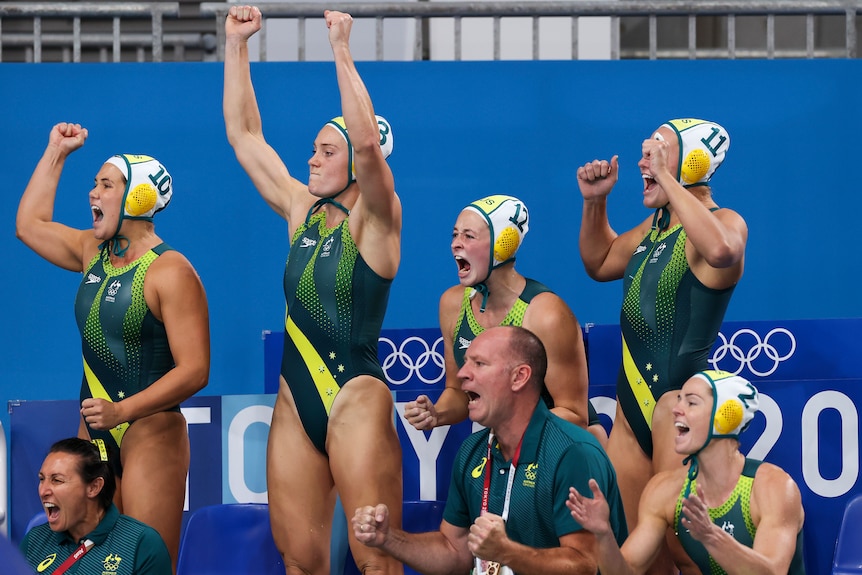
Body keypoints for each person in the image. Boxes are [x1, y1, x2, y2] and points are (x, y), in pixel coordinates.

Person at [223, 7, 403, 575]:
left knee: (375, 558)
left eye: (327, 150)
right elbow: (245, 135)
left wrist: (342, 50)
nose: (312, 159)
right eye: (315, 149)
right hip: (295, 399)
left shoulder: (378, 219)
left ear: (354, 158)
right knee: (298, 560)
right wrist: (236, 46)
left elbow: (370, 148)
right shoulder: (303, 210)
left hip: (355, 394)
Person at [15, 122, 210, 572]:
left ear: (138, 198)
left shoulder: (170, 271)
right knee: (88, 562)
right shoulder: (91, 251)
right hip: (96, 428)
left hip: (150, 431)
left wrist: (124, 412)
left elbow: (196, 369)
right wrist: (56, 153)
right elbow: (29, 226)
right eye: (95, 183)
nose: (92, 194)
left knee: (142, 561)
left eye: (106, 185)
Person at [577, 118, 747, 573]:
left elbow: (724, 253)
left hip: (675, 408)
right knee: (634, 544)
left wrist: (670, 182)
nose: (643, 161)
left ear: (691, 163)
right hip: (630, 419)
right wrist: (596, 204)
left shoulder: (720, 222)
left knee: (683, 552)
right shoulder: (653, 229)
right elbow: (599, 261)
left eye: (658, 151)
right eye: (645, 151)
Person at [353, 326, 627, 575]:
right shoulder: (473, 450)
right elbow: (454, 552)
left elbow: (584, 565)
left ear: (519, 377)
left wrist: (506, 551)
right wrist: (389, 538)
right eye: (466, 362)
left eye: (479, 364)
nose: (462, 373)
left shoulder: (572, 453)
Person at [404, 195, 608, 446]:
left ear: (504, 245)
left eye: (469, 236)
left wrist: (510, 435)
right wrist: (437, 414)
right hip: (509, 444)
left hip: (565, 446)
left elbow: (575, 414)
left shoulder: (546, 314)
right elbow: (458, 392)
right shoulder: (452, 305)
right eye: (454, 235)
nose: (456, 244)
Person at [567, 370, 806, 574]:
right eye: (679, 400)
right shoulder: (666, 490)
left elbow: (773, 571)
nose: (676, 409)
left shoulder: (772, 487)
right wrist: (604, 534)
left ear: (726, 416)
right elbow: (626, 571)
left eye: (691, 402)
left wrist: (713, 537)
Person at [20, 437, 172, 574]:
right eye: (42, 479)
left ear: (94, 487)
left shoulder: (141, 544)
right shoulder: (35, 540)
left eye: (57, 480)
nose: (43, 491)